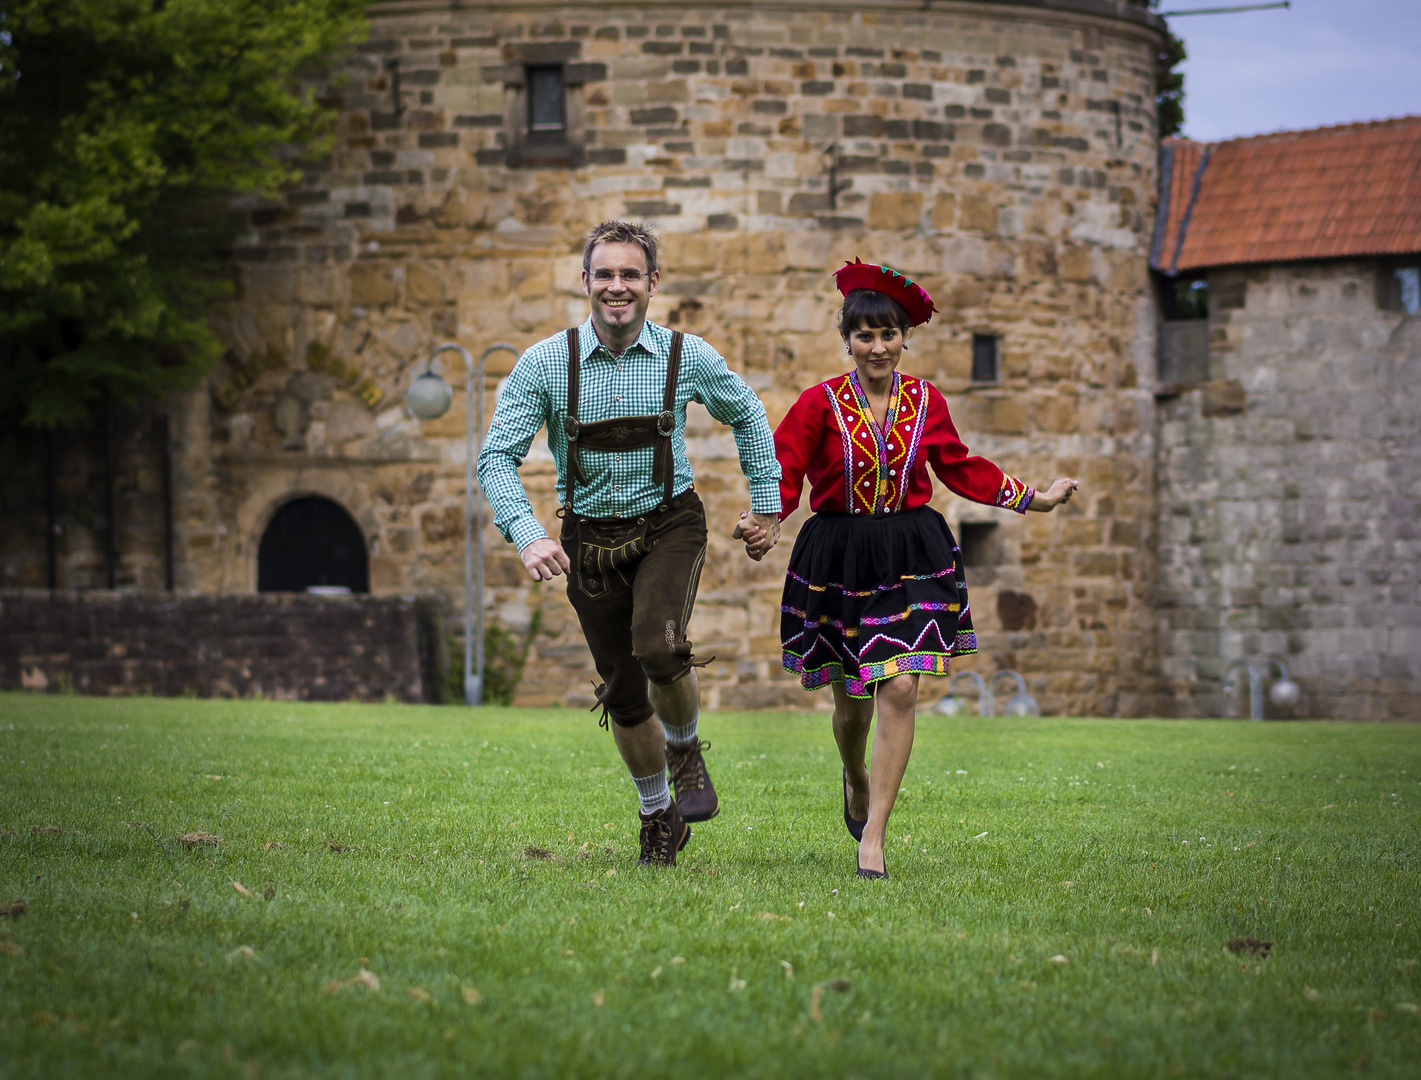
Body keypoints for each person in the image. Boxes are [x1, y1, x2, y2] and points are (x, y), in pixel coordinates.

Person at [477, 220, 782, 867]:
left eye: (630, 275)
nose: (618, 287)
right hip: (587, 536)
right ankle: (657, 817)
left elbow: (748, 412)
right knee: (620, 689)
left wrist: (768, 504)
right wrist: (527, 535)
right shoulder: (544, 365)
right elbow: (496, 458)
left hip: (669, 523)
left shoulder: (685, 356)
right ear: (585, 282)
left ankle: (686, 750)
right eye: (605, 274)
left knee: (657, 646)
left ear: (652, 283)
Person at [766, 259, 1079, 878]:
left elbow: (960, 467)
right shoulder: (817, 402)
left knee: (902, 685)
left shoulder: (926, 400)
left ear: (904, 338)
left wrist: (1031, 497)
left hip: (911, 552)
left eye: (889, 335)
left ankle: (874, 836)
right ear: (847, 339)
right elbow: (786, 467)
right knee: (852, 704)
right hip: (839, 556)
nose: (877, 347)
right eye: (865, 335)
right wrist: (765, 518)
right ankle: (854, 774)